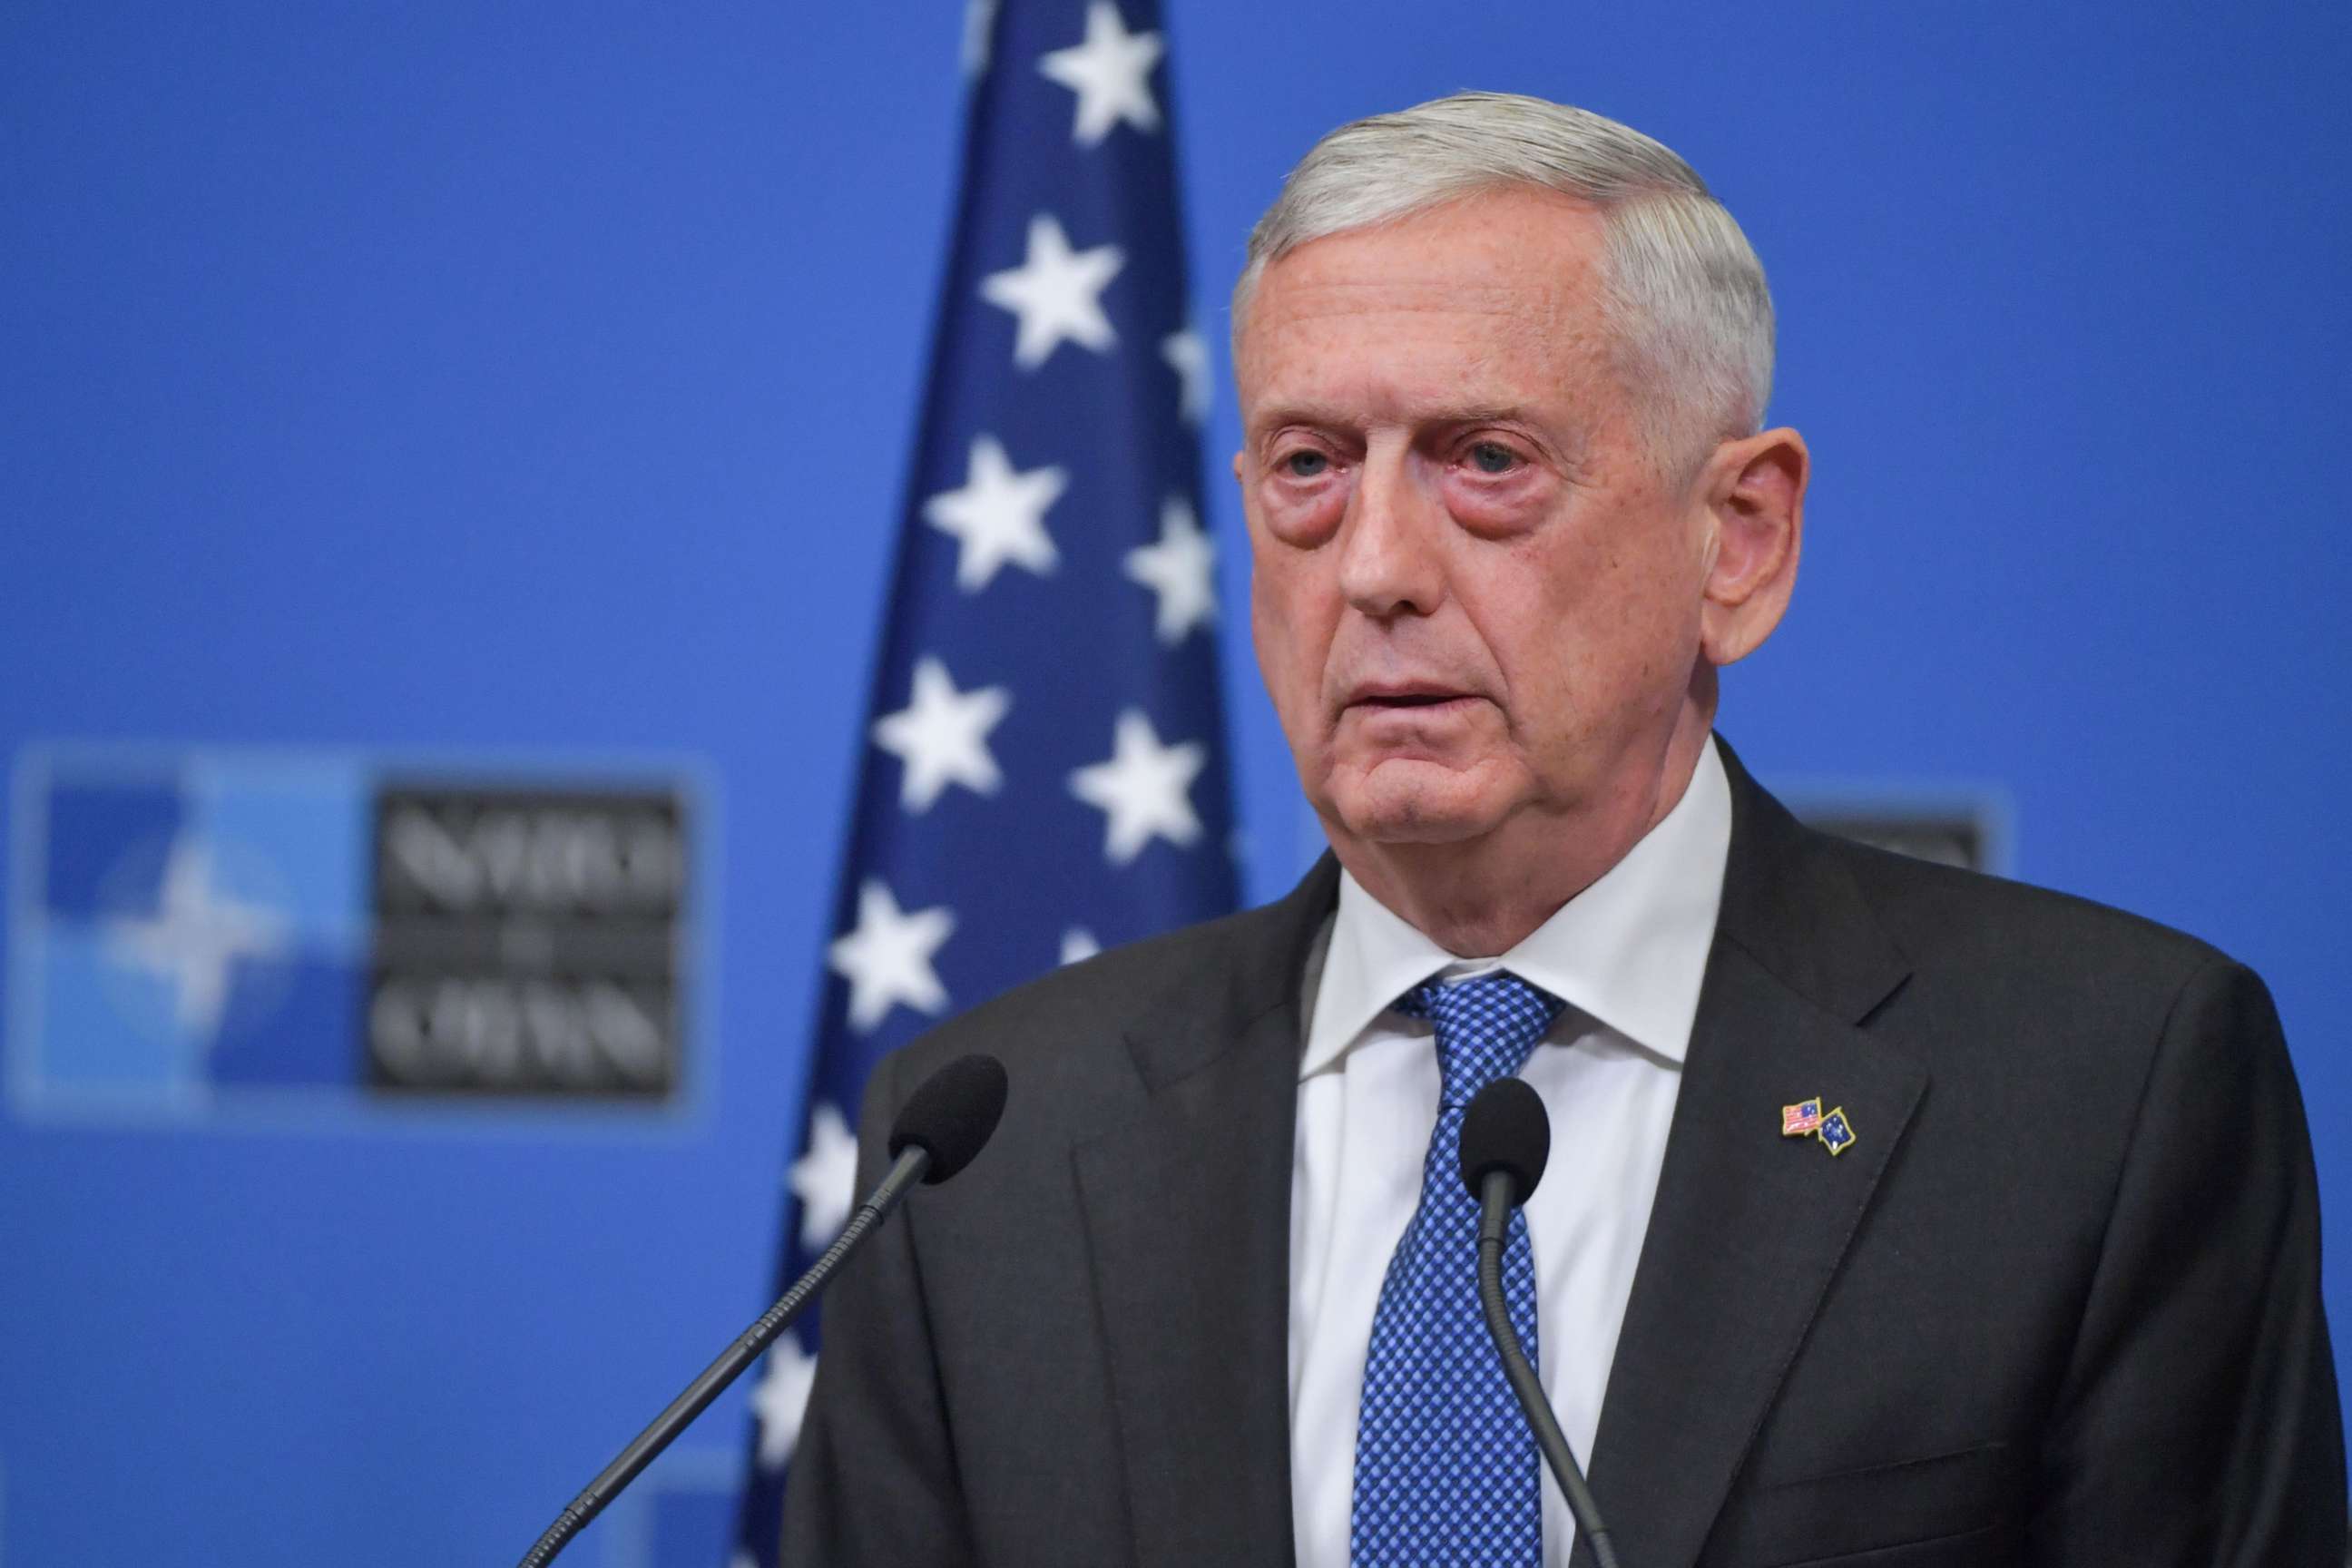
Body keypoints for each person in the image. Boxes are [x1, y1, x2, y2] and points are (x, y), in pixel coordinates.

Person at [780, 92, 2344, 1566]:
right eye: (1311, 468)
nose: (1376, 566)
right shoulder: (980, 1152)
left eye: (1486, 463)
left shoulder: (2102, 1097)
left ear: (1739, 541)